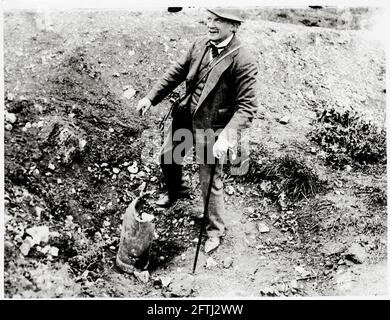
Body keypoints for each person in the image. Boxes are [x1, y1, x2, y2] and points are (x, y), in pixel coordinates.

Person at [136, 7, 259, 253]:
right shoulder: (200, 44)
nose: (211, 24)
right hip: (186, 117)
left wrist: (226, 137)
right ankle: (178, 191)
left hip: (213, 129)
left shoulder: (243, 58)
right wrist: (151, 98)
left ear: (234, 26)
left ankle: (215, 230)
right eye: (210, 19)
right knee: (167, 156)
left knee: (210, 180)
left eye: (219, 21)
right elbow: (176, 73)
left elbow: (247, 107)